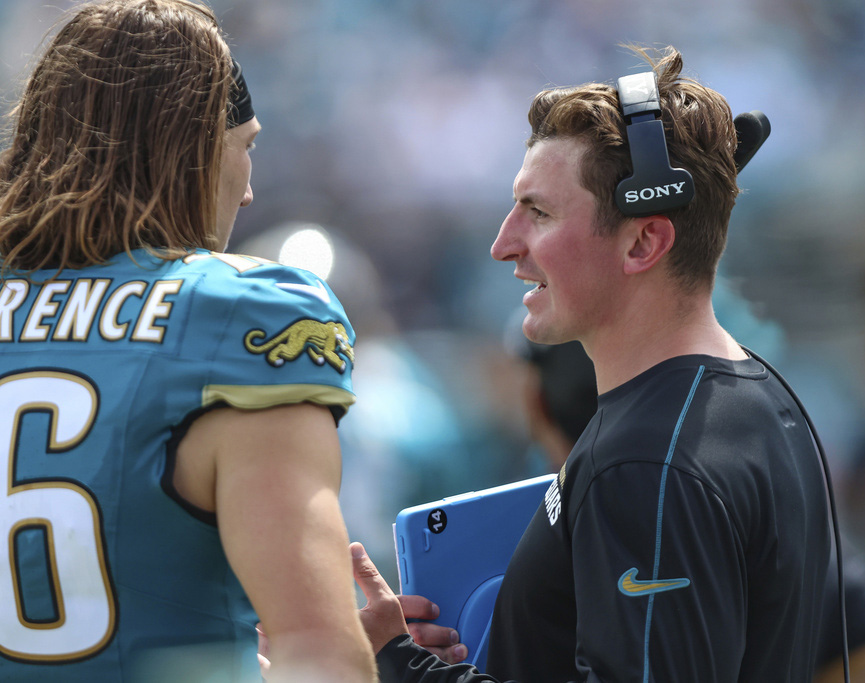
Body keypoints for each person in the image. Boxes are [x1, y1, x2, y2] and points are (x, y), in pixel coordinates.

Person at [350, 45, 834, 682]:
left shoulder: (644, 460)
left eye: (539, 212)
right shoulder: (762, 396)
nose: (503, 245)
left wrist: (396, 667)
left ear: (642, 241)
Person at [0, 1, 375, 681]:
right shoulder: (239, 316)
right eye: (247, 147)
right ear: (192, 150)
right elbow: (319, 652)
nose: (251, 191)